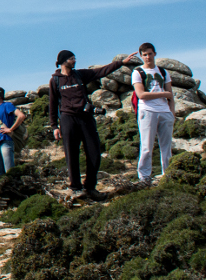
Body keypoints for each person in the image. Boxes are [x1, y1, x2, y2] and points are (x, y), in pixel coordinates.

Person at [50, 49, 139, 200]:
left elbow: (101, 71)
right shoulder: (55, 80)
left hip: (86, 117)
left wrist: (120, 63)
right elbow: (52, 104)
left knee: (94, 152)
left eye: (74, 58)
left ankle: (90, 187)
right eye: (72, 58)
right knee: (71, 154)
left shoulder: (80, 75)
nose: (75, 60)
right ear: (63, 61)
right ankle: (75, 188)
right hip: (68, 119)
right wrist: (54, 126)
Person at [132, 42, 176, 184]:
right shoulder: (138, 72)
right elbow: (141, 95)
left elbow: (171, 95)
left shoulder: (163, 72)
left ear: (155, 54)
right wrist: (163, 94)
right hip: (147, 110)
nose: (148, 57)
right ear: (141, 56)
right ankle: (144, 177)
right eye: (145, 55)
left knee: (166, 147)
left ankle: (167, 175)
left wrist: (172, 113)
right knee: (146, 146)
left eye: (150, 54)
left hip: (165, 111)